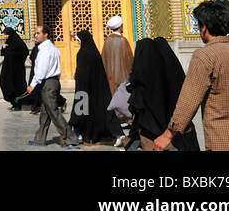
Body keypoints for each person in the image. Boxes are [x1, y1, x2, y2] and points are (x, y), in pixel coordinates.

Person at [155, 0, 229, 151]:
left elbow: (189, 101)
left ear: (204, 27)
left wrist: (167, 135)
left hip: (221, 143)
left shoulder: (205, 56)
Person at [127, 37, 198, 151]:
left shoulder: (142, 80)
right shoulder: (173, 71)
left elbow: (135, 105)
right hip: (176, 129)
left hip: (151, 132)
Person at [26, 24, 81, 147]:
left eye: (38, 33)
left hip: (48, 83)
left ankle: (71, 139)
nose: (35, 35)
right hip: (52, 82)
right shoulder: (51, 48)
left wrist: (33, 84)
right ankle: (40, 139)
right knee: (45, 112)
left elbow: (42, 70)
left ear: (45, 34)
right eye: (35, 33)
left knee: (54, 112)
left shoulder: (46, 50)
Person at [70, 30, 120, 144]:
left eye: (78, 40)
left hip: (83, 88)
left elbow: (82, 73)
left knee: (81, 110)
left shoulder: (83, 54)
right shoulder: (94, 52)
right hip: (97, 88)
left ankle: (80, 133)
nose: (77, 42)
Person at [101, 15, 134, 145]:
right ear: (120, 26)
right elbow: (130, 60)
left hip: (110, 77)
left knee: (114, 99)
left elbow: (103, 60)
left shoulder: (107, 41)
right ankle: (128, 121)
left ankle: (117, 122)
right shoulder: (123, 41)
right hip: (124, 77)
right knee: (125, 100)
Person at [0, 28, 30, 110]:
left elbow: (25, 52)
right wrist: (3, 48)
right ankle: (14, 103)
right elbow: (3, 53)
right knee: (5, 84)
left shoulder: (18, 42)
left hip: (17, 70)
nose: (6, 36)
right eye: (5, 34)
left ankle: (19, 105)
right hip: (8, 69)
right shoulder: (7, 42)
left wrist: (8, 50)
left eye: (7, 34)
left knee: (17, 86)